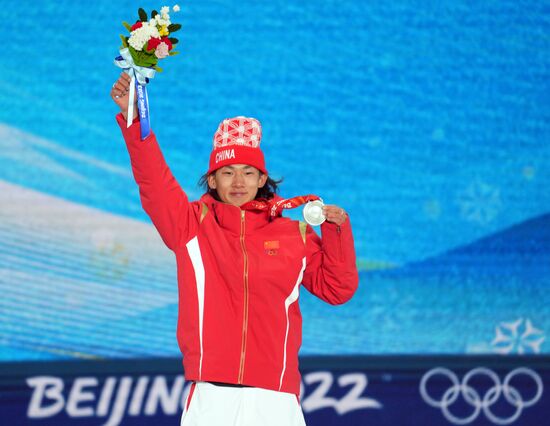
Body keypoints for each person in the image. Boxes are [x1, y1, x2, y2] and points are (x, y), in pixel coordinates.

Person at [111, 72, 359, 426]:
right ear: (212, 180)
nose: (239, 182)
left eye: (247, 172)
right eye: (227, 172)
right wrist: (135, 119)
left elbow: (338, 289)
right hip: (212, 401)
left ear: (262, 179)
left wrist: (336, 231)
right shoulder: (191, 226)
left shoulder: (296, 234)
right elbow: (153, 181)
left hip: (276, 402)